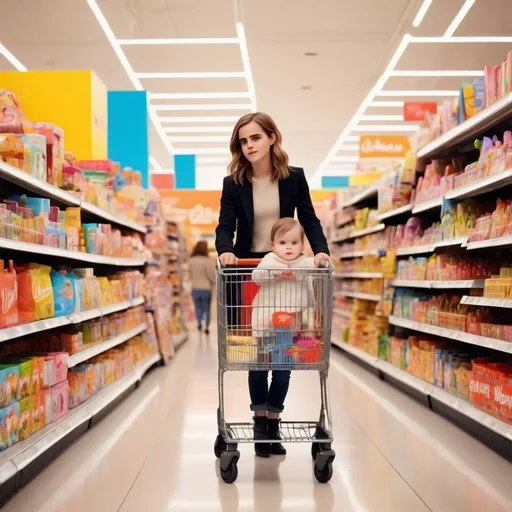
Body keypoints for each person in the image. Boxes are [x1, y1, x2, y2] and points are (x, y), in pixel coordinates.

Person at [215, 112, 330, 458]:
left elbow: (308, 218)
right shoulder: (233, 181)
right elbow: (225, 225)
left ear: (271, 139)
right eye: (243, 141)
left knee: (284, 353)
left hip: (289, 269)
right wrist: (224, 252)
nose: (249, 146)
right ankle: (259, 420)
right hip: (249, 270)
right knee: (256, 355)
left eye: (255, 138)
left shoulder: (294, 178)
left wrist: (321, 251)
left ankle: (273, 421)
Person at [189, 240, 215, 334]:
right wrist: (215, 281)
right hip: (206, 288)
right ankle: (207, 327)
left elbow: (190, 274)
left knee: (197, 307)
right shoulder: (207, 261)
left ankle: (199, 322)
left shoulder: (191, 260)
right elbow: (211, 276)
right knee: (207, 308)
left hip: (195, 288)